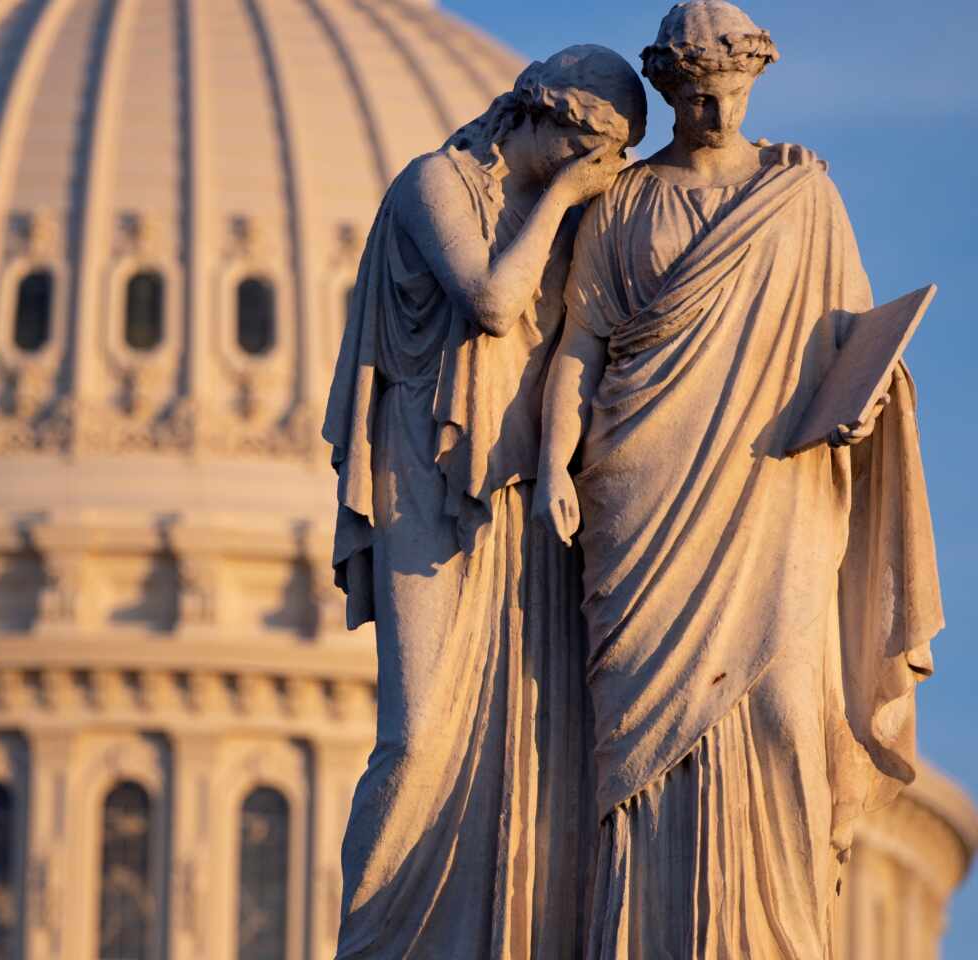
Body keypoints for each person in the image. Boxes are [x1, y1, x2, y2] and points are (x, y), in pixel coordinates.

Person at [533, 4, 944, 957]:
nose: (709, 112)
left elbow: (851, 344)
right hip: (639, 506)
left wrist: (873, 404)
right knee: (636, 751)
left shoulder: (804, 200)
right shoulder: (623, 204)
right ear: (668, 91)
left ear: (753, 81)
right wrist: (555, 462)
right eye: (691, 97)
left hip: (779, 501)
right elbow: (579, 347)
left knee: (783, 719)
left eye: (724, 95)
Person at [322, 45, 646, 958]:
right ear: (540, 115)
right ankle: (379, 936)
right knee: (419, 735)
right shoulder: (439, 183)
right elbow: (494, 304)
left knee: (532, 743)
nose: (600, 170)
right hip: (425, 481)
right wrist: (561, 200)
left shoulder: (571, 211)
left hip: (521, 507)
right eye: (593, 145)